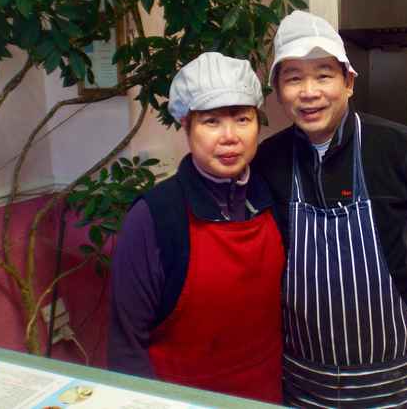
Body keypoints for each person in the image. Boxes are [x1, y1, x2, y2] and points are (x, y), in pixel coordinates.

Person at [254, 10, 407, 407]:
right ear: (278, 91)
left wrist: (405, 285)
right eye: (293, 77)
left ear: (348, 82)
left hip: (387, 373)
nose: (309, 91)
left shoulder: (401, 148)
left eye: (323, 75)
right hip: (303, 372)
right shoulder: (268, 159)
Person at [108, 52, 284, 404]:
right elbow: (126, 346)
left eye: (242, 118)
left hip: (266, 395)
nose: (230, 136)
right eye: (211, 121)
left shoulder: (272, 199)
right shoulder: (154, 217)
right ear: (186, 126)